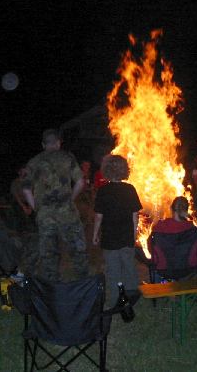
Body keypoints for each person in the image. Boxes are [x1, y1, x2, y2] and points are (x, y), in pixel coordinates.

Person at [21, 129, 89, 282]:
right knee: (77, 249)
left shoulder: (33, 162)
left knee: (49, 253)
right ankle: (83, 281)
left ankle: (53, 284)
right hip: (67, 213)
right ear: (58, 142)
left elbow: (25, 190)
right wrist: (71, 198)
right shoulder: (67, 158)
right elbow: (80, 182)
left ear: (43, 144)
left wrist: (36, 207)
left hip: (45, 215)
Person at [92, 155, 142, 307]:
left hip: (109, 237)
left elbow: (99, 217)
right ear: (124, 170)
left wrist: (95, 234)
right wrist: (134, 234)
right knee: (129, 266)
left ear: (106, 170)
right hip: (126, 236)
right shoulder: (130, 189)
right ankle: (132, 296)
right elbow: (135, 215)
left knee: (113, 270)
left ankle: (115, 300)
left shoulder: (103, 191)